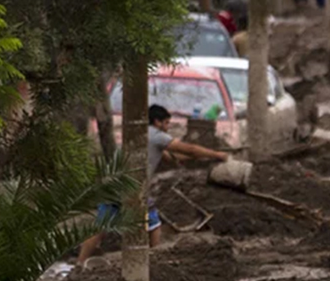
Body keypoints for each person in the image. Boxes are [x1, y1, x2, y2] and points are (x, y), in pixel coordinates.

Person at [75, 105, 230, 267]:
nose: (168, 127)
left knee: (101, 226)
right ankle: (155, 261)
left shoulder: (141, 135)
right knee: (154, 223)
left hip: (112, 184)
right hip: (130, 187)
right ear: (157, 122)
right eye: (166, 123)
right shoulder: (156, 135)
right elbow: (190, 149)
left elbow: (171, 157)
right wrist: (218, 154)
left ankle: (79, 264)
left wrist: (196, 158)